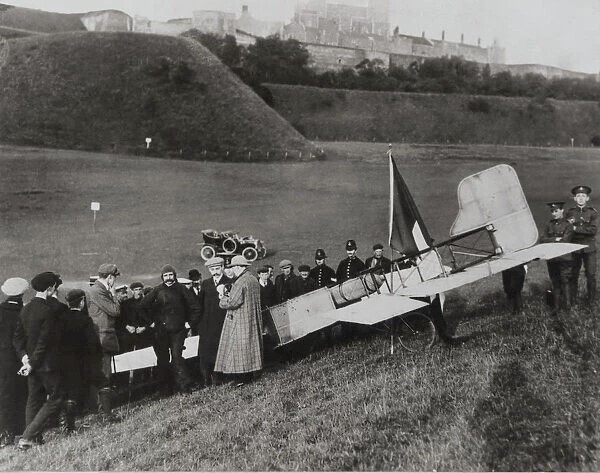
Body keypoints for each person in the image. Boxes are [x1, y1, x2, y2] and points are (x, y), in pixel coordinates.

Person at [13, 272, 65, 450]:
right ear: (50, 288)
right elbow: (44, 342)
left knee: (34, 399)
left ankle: (33, 438)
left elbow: (17, 339)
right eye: (55, 287)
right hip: (46, 364)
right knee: (57, 397)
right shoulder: (47, 311)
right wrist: (33, 362)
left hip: (31, 364)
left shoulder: (25, 308)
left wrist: (25, 359)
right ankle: (28, 436)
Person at [60, 289, 120, 432]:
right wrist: (97, 356)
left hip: (68, 363)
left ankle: (70, 426)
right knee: (103, 383)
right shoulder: (85, 320)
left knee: (71, 393)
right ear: (82, 302)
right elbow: (93, 343)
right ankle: (108, 415)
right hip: (87, 362)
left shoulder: (61, 319)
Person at [139, 264, 199, 394]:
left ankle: (184, 387)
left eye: (171, 275)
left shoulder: (182, 289)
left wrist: (189, 324)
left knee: (177, 357)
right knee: (163, 360)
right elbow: (142, 306)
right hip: (161, 331)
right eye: (165, 275)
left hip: (178, 330)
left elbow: (195, 307)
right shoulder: (157, 290)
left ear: (175, 275)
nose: (168, 278)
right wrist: (151, 322)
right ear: (162, 277)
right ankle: (165, 390)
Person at [215, 256, 263, 386]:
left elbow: (232, 302)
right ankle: (251, 374)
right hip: (252, 317)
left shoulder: (240, 282)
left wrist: (223, 297)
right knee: (250, 346)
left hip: (240, 319)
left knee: (239, 348)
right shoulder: (253, 279)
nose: (232, 270)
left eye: (232, 267)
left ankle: (242, 378)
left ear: (238, 267)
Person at [0, 277, 28, 447]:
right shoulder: (24, 312)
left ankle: (4, 431)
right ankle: (20, 428)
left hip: (2, 360)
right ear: (22, 295)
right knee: (22, 392)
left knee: (4, 394)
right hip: (21, 358)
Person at [195, 257, 231, 387]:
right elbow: (200, 304)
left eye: (217, 268)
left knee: (221, 350)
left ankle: (220, 378)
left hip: (223, 323)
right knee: (206, 352)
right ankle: (206, 379)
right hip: (207, 324)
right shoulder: (205, 284)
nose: (215, 271)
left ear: (222, 268)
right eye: (212, 269)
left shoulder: (229, 282)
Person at [87, 263, 121, 380]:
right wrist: (114, 294)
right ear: (110, 277)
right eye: (114, 278)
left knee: (105, 369)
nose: (114, 281)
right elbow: (115, 311)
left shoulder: (98, 290)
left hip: (103, 335)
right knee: (104, 372)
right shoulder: (98, 291)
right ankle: (103, 397)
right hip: (102, 336)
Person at [565, 185, 598, 304]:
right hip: (574, 248)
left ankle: (591, 301)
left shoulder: (592, 213)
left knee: (590, 275)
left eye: (583, 196)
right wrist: (575, 229)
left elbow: (593, 230)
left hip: (589, 248)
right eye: (578, 196)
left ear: (587, 198)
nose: (580, 198)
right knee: (573, 274)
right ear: (574, 198)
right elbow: (566, 229)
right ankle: (573, 301)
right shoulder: (569, 213)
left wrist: (575, 228)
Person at [540, 201, 575, 312]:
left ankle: (568, 306)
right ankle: (556, 307)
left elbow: (565, 240)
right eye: (552, 211)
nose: (554, 213)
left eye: (556, 211)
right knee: (555, 281)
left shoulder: (568, 225)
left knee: (565, 281)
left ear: (562, 211)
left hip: (565, 258)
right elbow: (542, 239)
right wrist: (555, 239)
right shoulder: (549, 224)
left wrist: (552, 240)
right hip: (552, 258)